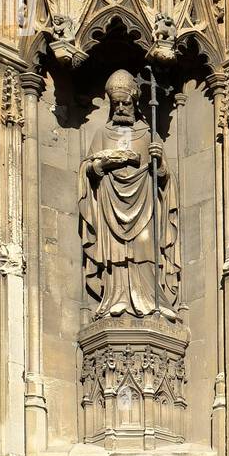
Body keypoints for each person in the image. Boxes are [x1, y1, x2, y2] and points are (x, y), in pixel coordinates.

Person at [79, 69, 179, 320]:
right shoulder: (102, 135)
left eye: (126, 103)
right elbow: (88, 169)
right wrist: (101, 166)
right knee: (115, 256)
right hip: (110, 205)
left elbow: (165, 180)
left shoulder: (148, 135)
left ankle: (149, 300)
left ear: (135, 102)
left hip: (144, 204)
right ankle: (115, 298)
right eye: (117, 104)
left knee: (145, 248)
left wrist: (159, 162)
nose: (122, 108)